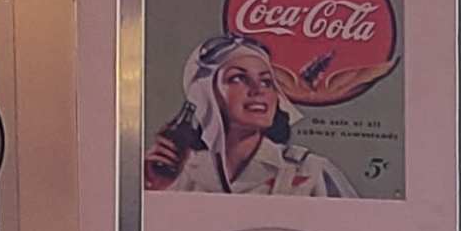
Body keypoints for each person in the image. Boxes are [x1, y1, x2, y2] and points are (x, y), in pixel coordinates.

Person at [148, 30, 354, 197]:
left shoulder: (311, 171)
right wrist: (154, 188)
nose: (258, 89)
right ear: (206, 96)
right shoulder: (178, 171)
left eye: (267, 81)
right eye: (238, 78)